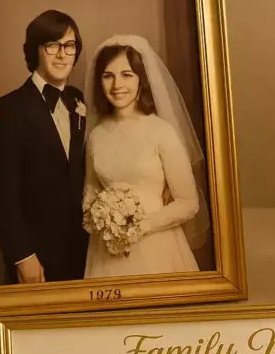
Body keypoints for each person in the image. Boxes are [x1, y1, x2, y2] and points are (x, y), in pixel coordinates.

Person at [82, 34, 211, 279]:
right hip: (105, 251)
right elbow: (91, 187)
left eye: (127, 74)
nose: (117, 85)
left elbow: (188, 202)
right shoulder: (96, 136)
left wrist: (138, 227)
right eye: (108, 76)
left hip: (157, 246)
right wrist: (96, 214)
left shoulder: (161, 131)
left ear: (141, 80)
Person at [0, 10, 89, 284]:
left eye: (69, 46)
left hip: (85, 252)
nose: (61, 54)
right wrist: (22, 256)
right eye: (52, 45)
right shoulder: (5, 110)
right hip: (37, 258)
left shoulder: (79, 100)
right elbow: (2, 196)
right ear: (34, 51)